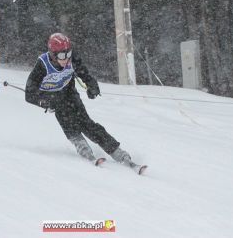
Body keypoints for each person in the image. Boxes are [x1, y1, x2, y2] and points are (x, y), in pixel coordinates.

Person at [25, 33, 145, 172]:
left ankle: (118, 153)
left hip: (68, 92)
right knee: (67, 120)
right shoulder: (42, 65)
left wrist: (92, 85)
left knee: (86, 123)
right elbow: (29, 94)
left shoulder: (71, 58)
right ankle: (83, 148)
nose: (66, 58)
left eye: (68, 53)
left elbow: (84, 73)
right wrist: (42, 101)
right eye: (62, 56)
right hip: (51, 97)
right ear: (52, 54)